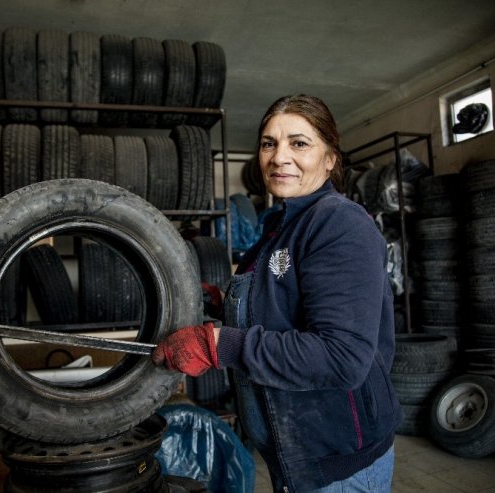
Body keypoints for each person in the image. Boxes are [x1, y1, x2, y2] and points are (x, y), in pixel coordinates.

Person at [152, 94, 402, 493]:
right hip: (294, 454)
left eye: (299, 143)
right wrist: (222, 302)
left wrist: (218, 345)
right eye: (269, 143)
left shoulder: (339, 224)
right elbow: (286, 306)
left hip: (337, 464)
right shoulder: (280, 226)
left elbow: (342, 357)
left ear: (330, 159)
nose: (279, 156)